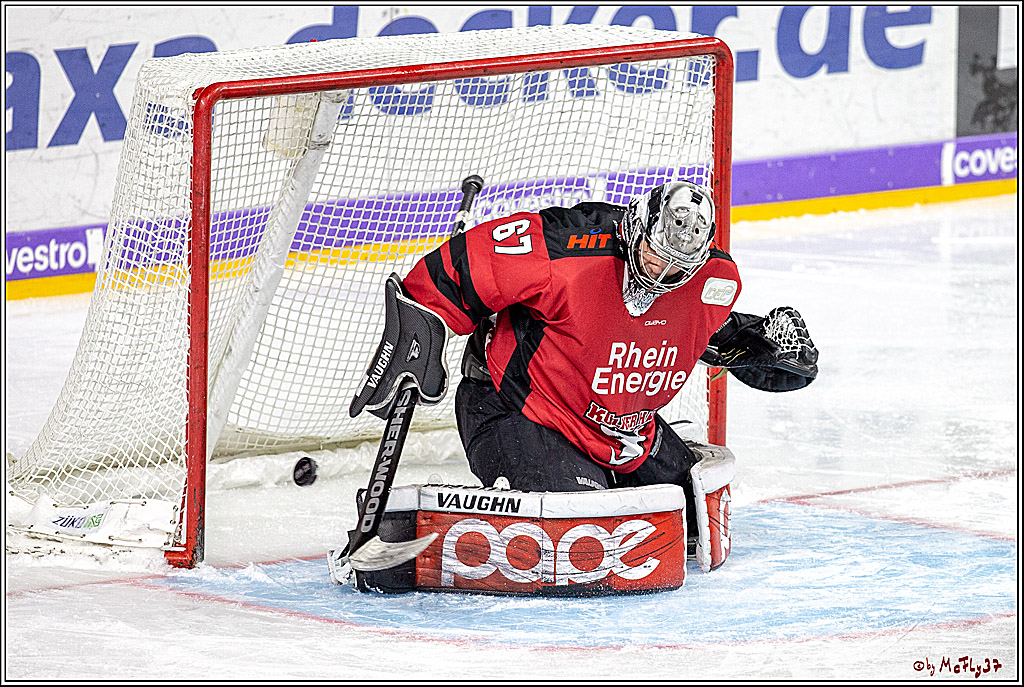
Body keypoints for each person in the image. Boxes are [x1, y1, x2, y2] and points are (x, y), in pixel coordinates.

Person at [351, 180, 818, 511]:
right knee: (584, 533)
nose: (661, 277)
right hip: (521, 410)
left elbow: (693, 325)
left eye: (677, 271)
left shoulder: (712, 281)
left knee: (691, 518)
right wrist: (418, 336)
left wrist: (758, 344)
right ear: (637, 228)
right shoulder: (567, 248)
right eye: (656, 257)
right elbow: (460, 265)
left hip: (626, 431)